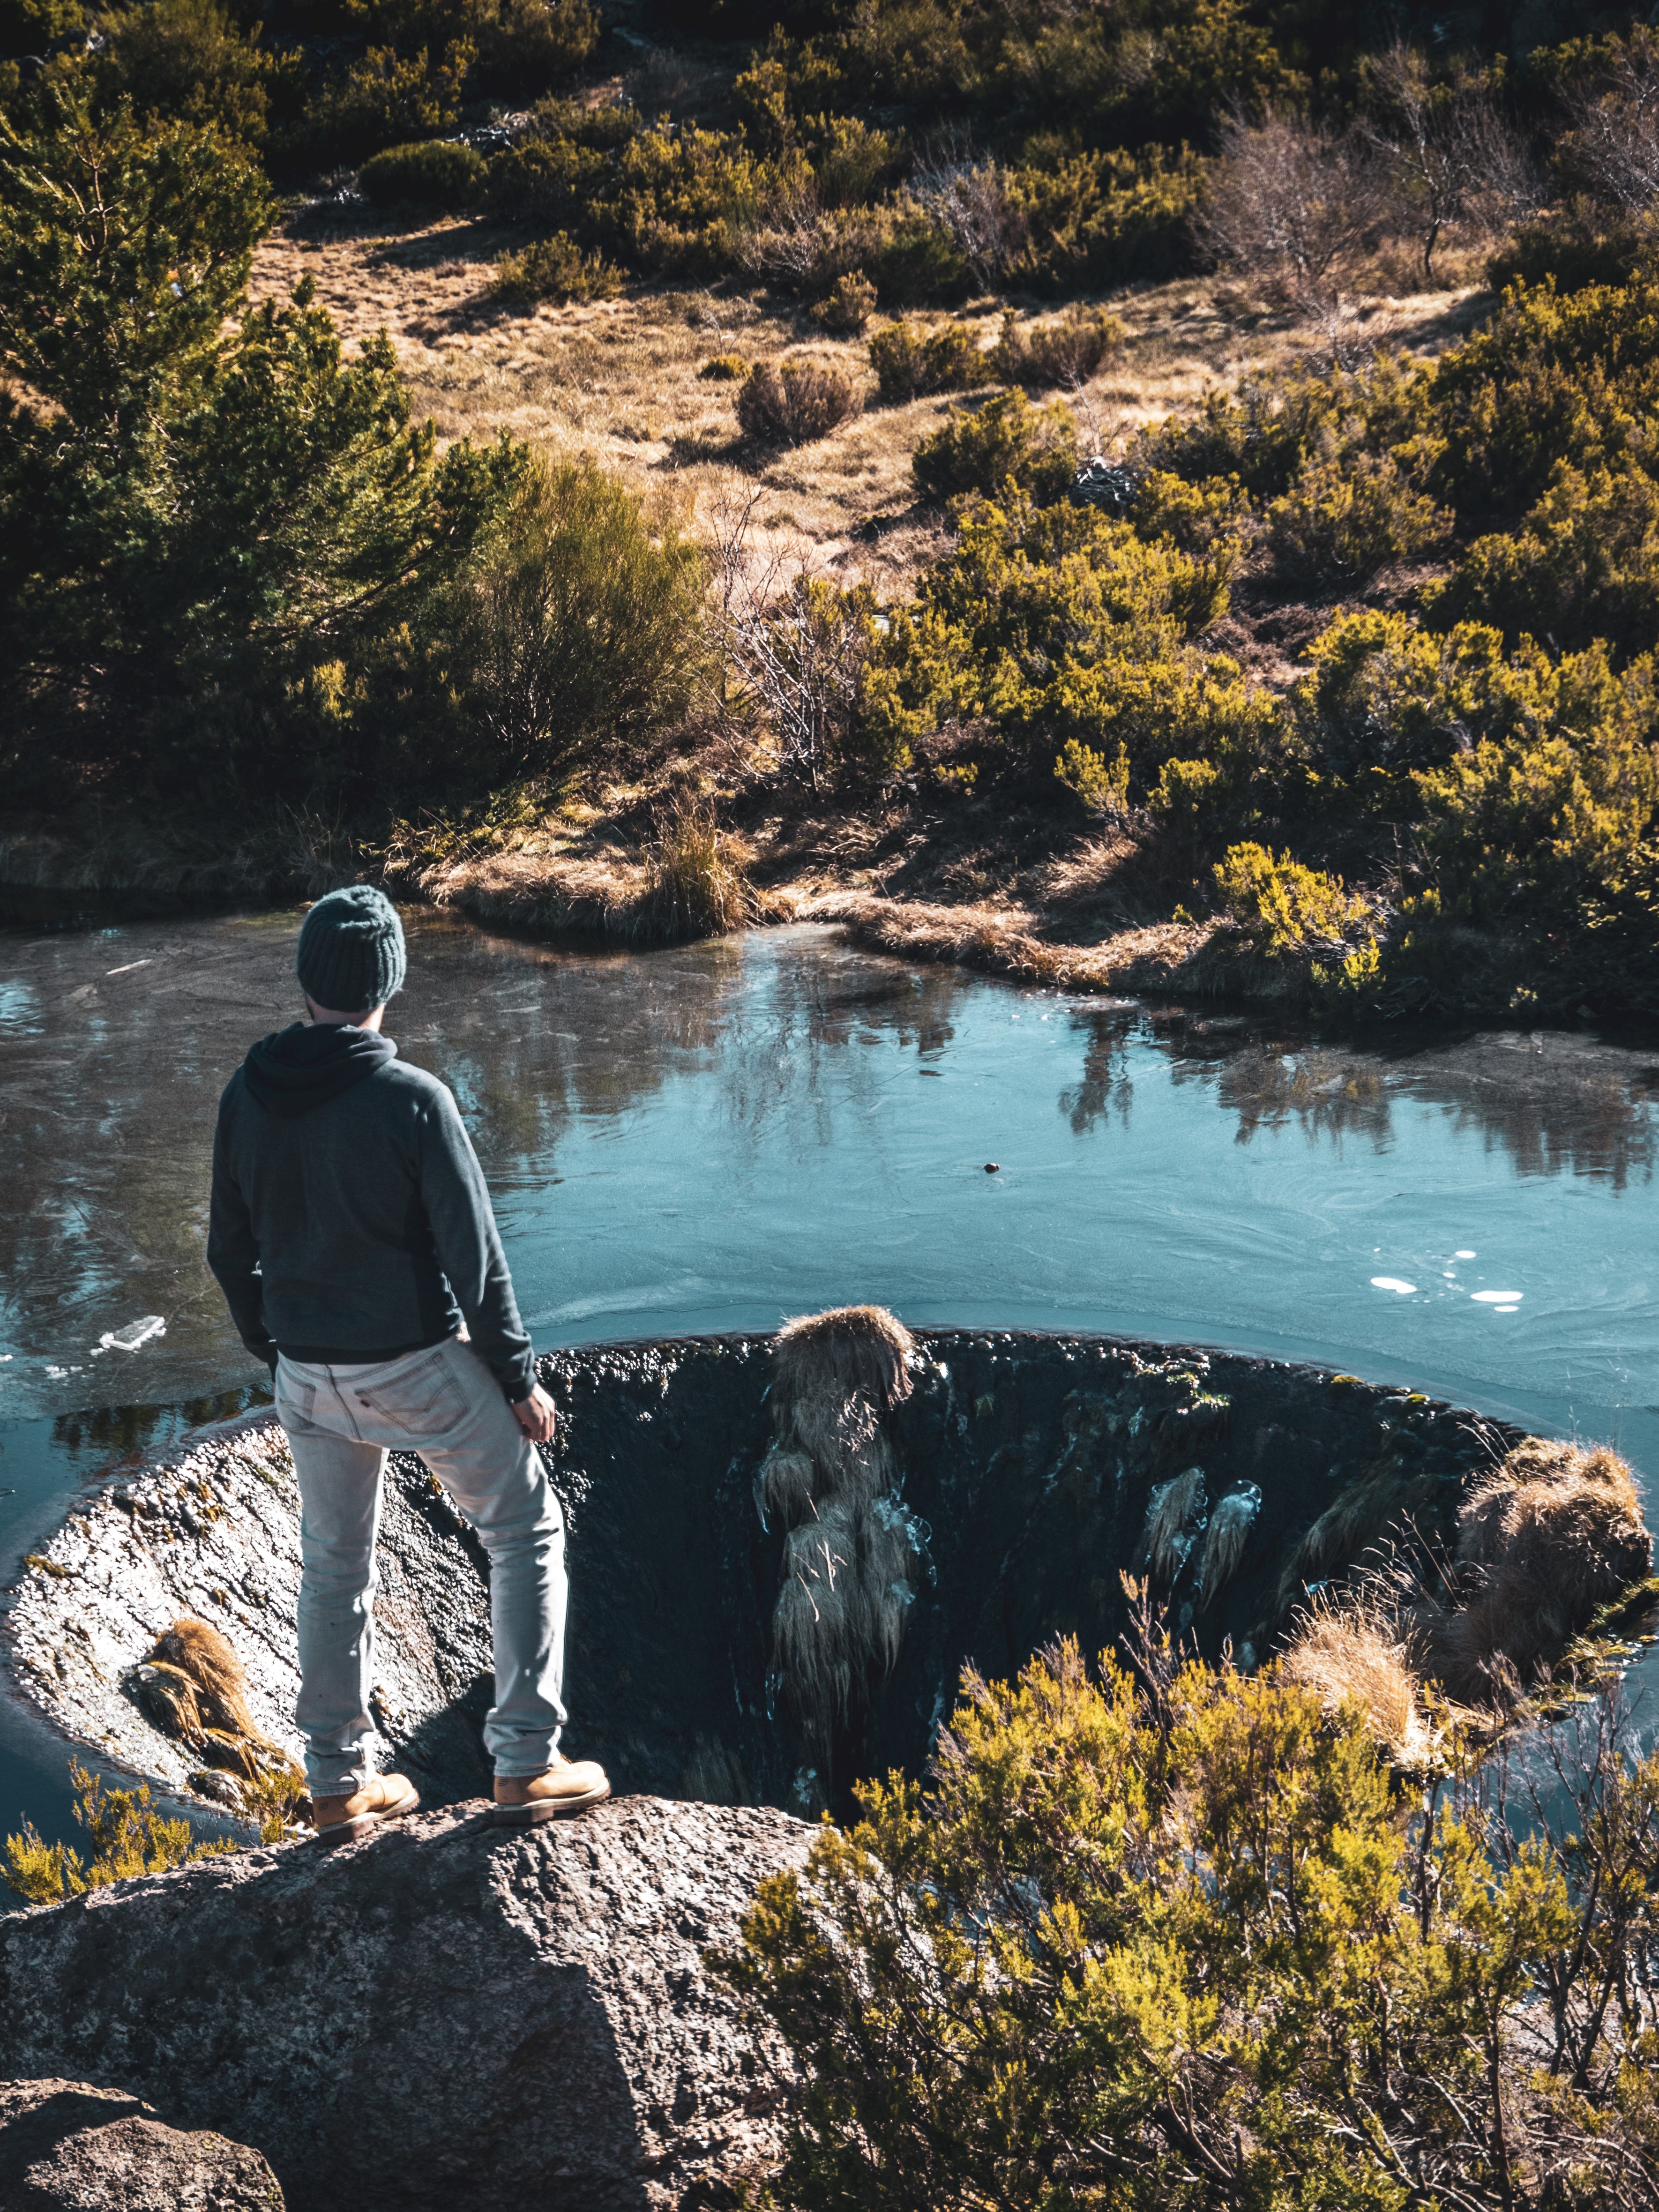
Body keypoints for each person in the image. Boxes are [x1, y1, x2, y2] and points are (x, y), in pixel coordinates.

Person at [207, 884, 607, 1844]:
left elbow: (227, 1252)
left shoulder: (246, 1091)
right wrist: (516, 1382)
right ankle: (525, 1761)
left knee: (334, 1565)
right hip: (416, 1367)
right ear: (387, 983)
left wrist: (279, 1349)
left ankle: (339, 1784)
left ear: (305, 980)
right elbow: (477, 1263)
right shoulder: (412, 1101)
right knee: (524, 1525)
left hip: (307, 1375)